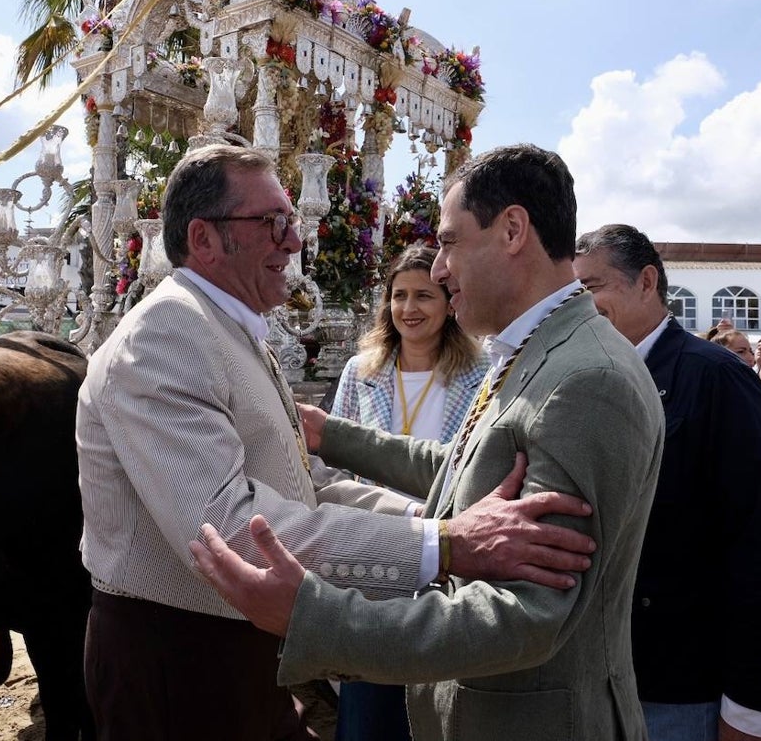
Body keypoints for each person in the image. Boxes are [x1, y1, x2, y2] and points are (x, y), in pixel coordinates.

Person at [76, 144, 597, 740]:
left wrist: (442, 522)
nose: (294, 242)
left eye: (292, 222)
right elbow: (238, 532)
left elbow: (305, 484)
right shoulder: (170, 331)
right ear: (204, 239)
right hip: (178, 660)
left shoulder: (229, 328)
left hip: (238, 650)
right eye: (273, 223)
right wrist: (447, 544)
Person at [192, 144, 666, 741]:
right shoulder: (539, 348)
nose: (437, 269)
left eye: (448, 241)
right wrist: (330, 435)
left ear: (513, 229)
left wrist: (314, 617)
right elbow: (463, 473)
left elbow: (524, 615)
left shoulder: (586, 379)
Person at [573, 224, 761, 741]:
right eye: (572, 292)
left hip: (683, 690)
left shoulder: (716, 377)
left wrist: (747, 709)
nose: (579, 305)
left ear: (646, 281)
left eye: (592, 288)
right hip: (595, 679)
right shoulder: (586, 377)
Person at [329, 242, 489, 741]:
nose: (409, 309)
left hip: (443, 561)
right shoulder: (362, 372)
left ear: (448, 304)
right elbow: (333, 459)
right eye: (399, 296)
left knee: (431, 705)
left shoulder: (479, 374)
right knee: (366, 707)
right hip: (370, 560)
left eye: (424, 295)